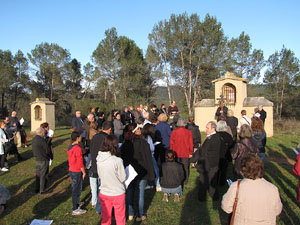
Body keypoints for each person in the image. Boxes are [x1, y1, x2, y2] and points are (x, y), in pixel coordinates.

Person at [222, 155, 282, 225]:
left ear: (243, 170)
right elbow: (277, 210)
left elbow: (226, 207)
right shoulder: (273, 189)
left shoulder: (236, 186)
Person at [127, 125, 155, 222]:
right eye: (138, 129)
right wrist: (151, 174)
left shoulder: (127, 144)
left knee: (130, 191)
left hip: (130, 171)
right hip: (140, 171)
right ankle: (139, 214)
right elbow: (148, 160)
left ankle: (131, 213)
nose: (140, 130)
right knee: (140, 193)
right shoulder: (143, 143)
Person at [97, 135, 126, 225]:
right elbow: (123, 177)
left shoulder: (99, 159)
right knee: (120, 217)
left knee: (106, 218)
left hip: (104, 192)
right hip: (117, 192)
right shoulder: (117, 161)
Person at [191, 121, 221, 201]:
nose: (206, 130)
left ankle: (202, 197)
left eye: (208, 128)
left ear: (213, 128)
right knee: (212, 181)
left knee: (204, 181)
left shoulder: (212, 138)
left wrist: (193, 158)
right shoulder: (214, 137)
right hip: (213, 162)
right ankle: (214, 195)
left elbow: (203, 151)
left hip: (208, 163)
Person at [89, 121, 112, 214]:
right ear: (110, 129)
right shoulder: (106, 138)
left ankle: (99, 207)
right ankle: (100, 207)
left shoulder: (95, 137)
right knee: (102, 188)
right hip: (104, 164)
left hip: (95, 162)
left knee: (99, 186)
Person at [67, 131, 87, 216]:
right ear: (77, 138)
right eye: (80, 137)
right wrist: (84, 172)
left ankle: (77, 202)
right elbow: (80, 162)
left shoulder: (70, 147)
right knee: (76, 189)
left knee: (75, 188)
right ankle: (75, 208)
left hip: (71, 169)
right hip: (77, 170)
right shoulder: (78, 149)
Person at [170, 118, 193, 185]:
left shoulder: (174, 132)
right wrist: (190, 152)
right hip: (185, 152)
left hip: (176, 152)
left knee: (177, 166)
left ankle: (177, 178)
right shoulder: (188, 132)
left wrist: (171, 151)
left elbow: (171, 143)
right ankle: (185, 180)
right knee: (185, 167)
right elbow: (190, 143)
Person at [32, 127, 53, 194]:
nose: (44, 133)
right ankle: (42, 190)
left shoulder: (34, 139)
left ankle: (37, 188)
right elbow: (47, 149)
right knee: (44, 174)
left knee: (38, 174)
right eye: (43, 132)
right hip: (44, 158)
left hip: (37, 158)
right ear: (41, 132)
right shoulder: (42, 140)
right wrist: (50, 156)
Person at [142, 123, 161, 192]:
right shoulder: (149, 137)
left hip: (143, 156)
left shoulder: (142, 136)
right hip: (150, 156)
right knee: (156, 170)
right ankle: (158, 184)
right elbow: (151, 148)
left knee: (145, 171)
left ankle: (145, 184)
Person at [216, 121, 234, 186]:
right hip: (225, 155)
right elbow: (231, 145)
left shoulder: (215, 135)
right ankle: (222, 182)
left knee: (216, 170)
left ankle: (216, 181)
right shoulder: (228, 136)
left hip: (216, 155)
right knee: (223, 170)